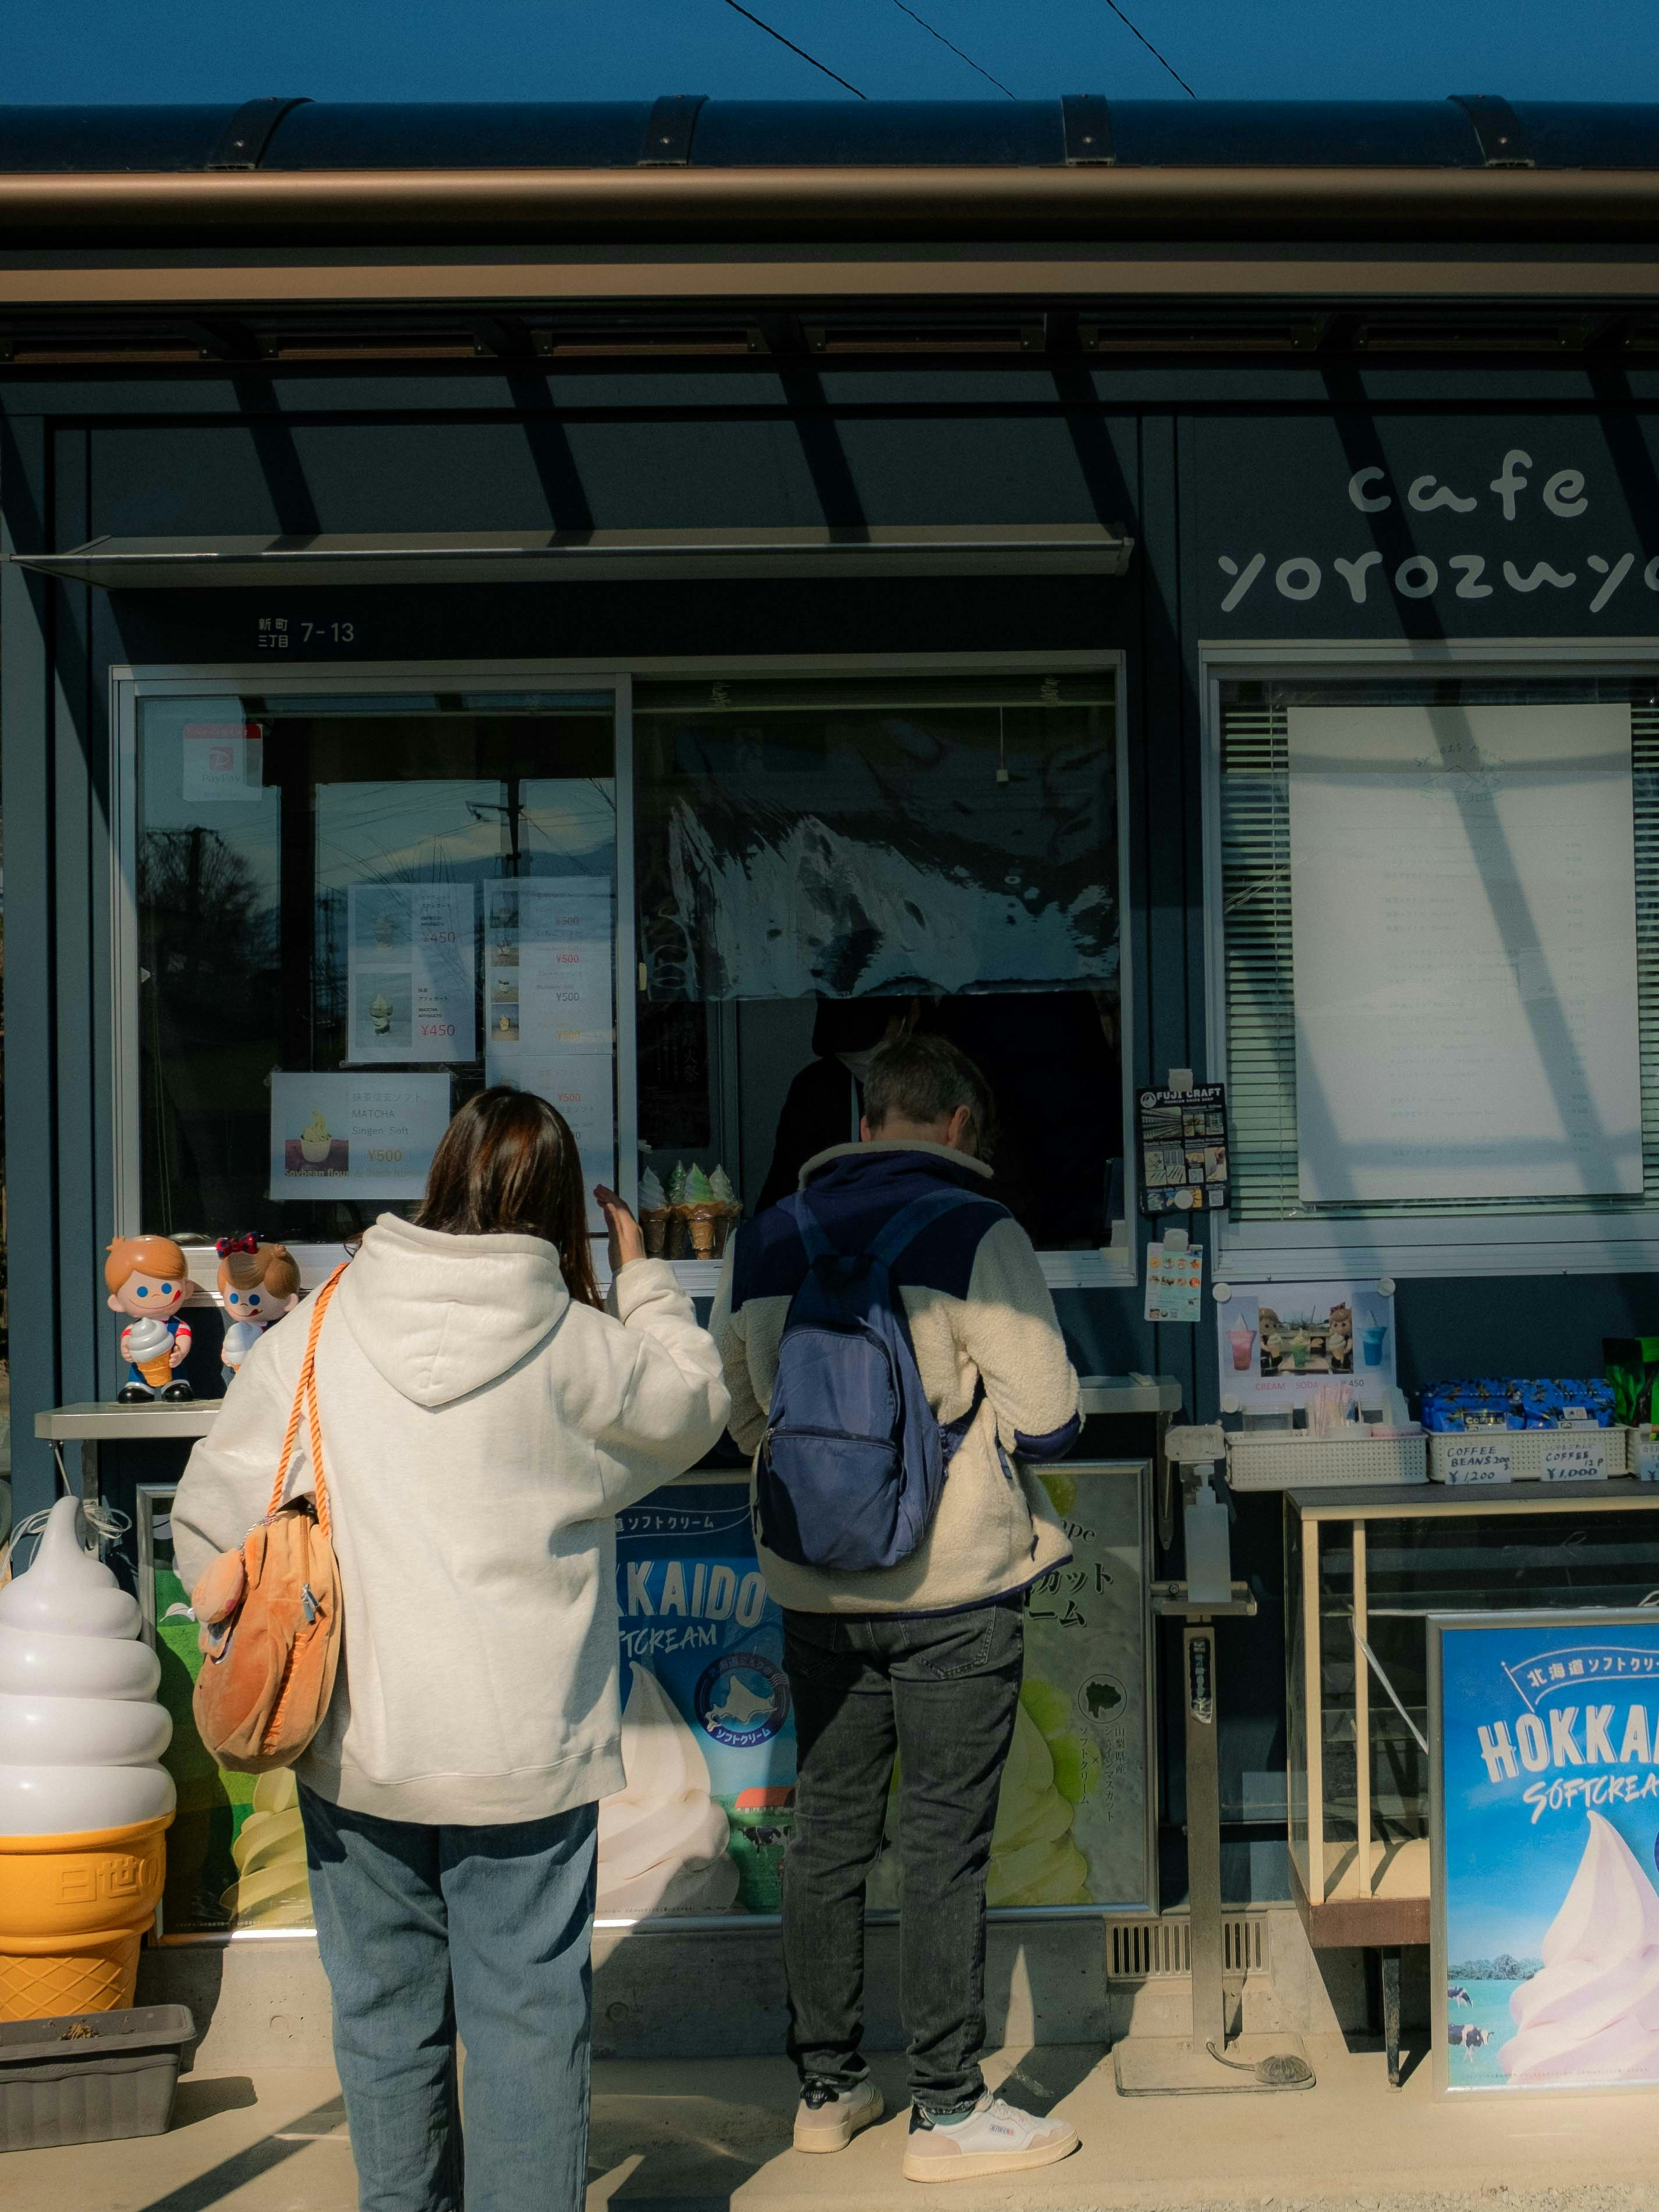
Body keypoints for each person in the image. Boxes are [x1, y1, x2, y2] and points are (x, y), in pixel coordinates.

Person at [172, 1087, 729, 2212]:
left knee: (383, 2017)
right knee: (529, 2018)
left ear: (443, 1177)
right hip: (525, 1749)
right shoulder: (581, 1347)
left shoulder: (319, 1327)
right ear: (562, 1206)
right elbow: (697, 1401)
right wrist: (644, 1278)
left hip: (359, 1741)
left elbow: (207, 1528)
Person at [712, 1034, 1083, 2183]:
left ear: (866, 1117)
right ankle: (949, 2108)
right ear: (962, 1125)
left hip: (816, 1586)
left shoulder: (767, 1234)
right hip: (951, 1587)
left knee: (826, 1837)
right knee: (941, 1847)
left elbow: (736, 1413)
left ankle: (826, 2091)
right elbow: (1054, 1414)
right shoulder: (979, 1232)